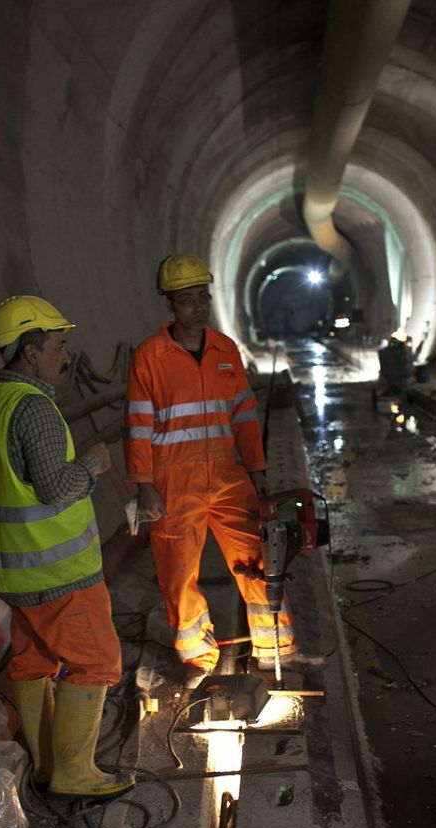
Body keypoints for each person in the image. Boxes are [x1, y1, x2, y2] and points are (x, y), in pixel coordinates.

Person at [0, 294, 133, 798]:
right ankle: (75, 773)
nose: (66, 355)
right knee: (96, 661)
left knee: (33, 662)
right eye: (59, 344)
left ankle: (44, 766)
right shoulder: (34, 407)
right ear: (31, 353)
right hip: (56, 570)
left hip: (6, 570)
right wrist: (95, 464)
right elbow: (56, 488)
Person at [124, 253, 313, 682]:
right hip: (175, 480)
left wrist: (257, 468)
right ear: (169, 304)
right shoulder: (150, 357)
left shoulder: (225, 350)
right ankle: (196, 656)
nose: (198, 307)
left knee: (258, 560)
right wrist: (144, 484)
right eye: (187, 299)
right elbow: (136, 423)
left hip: (228, 476)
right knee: (177, 573)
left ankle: (275, 647)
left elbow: (245, 413)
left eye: (203, 297)